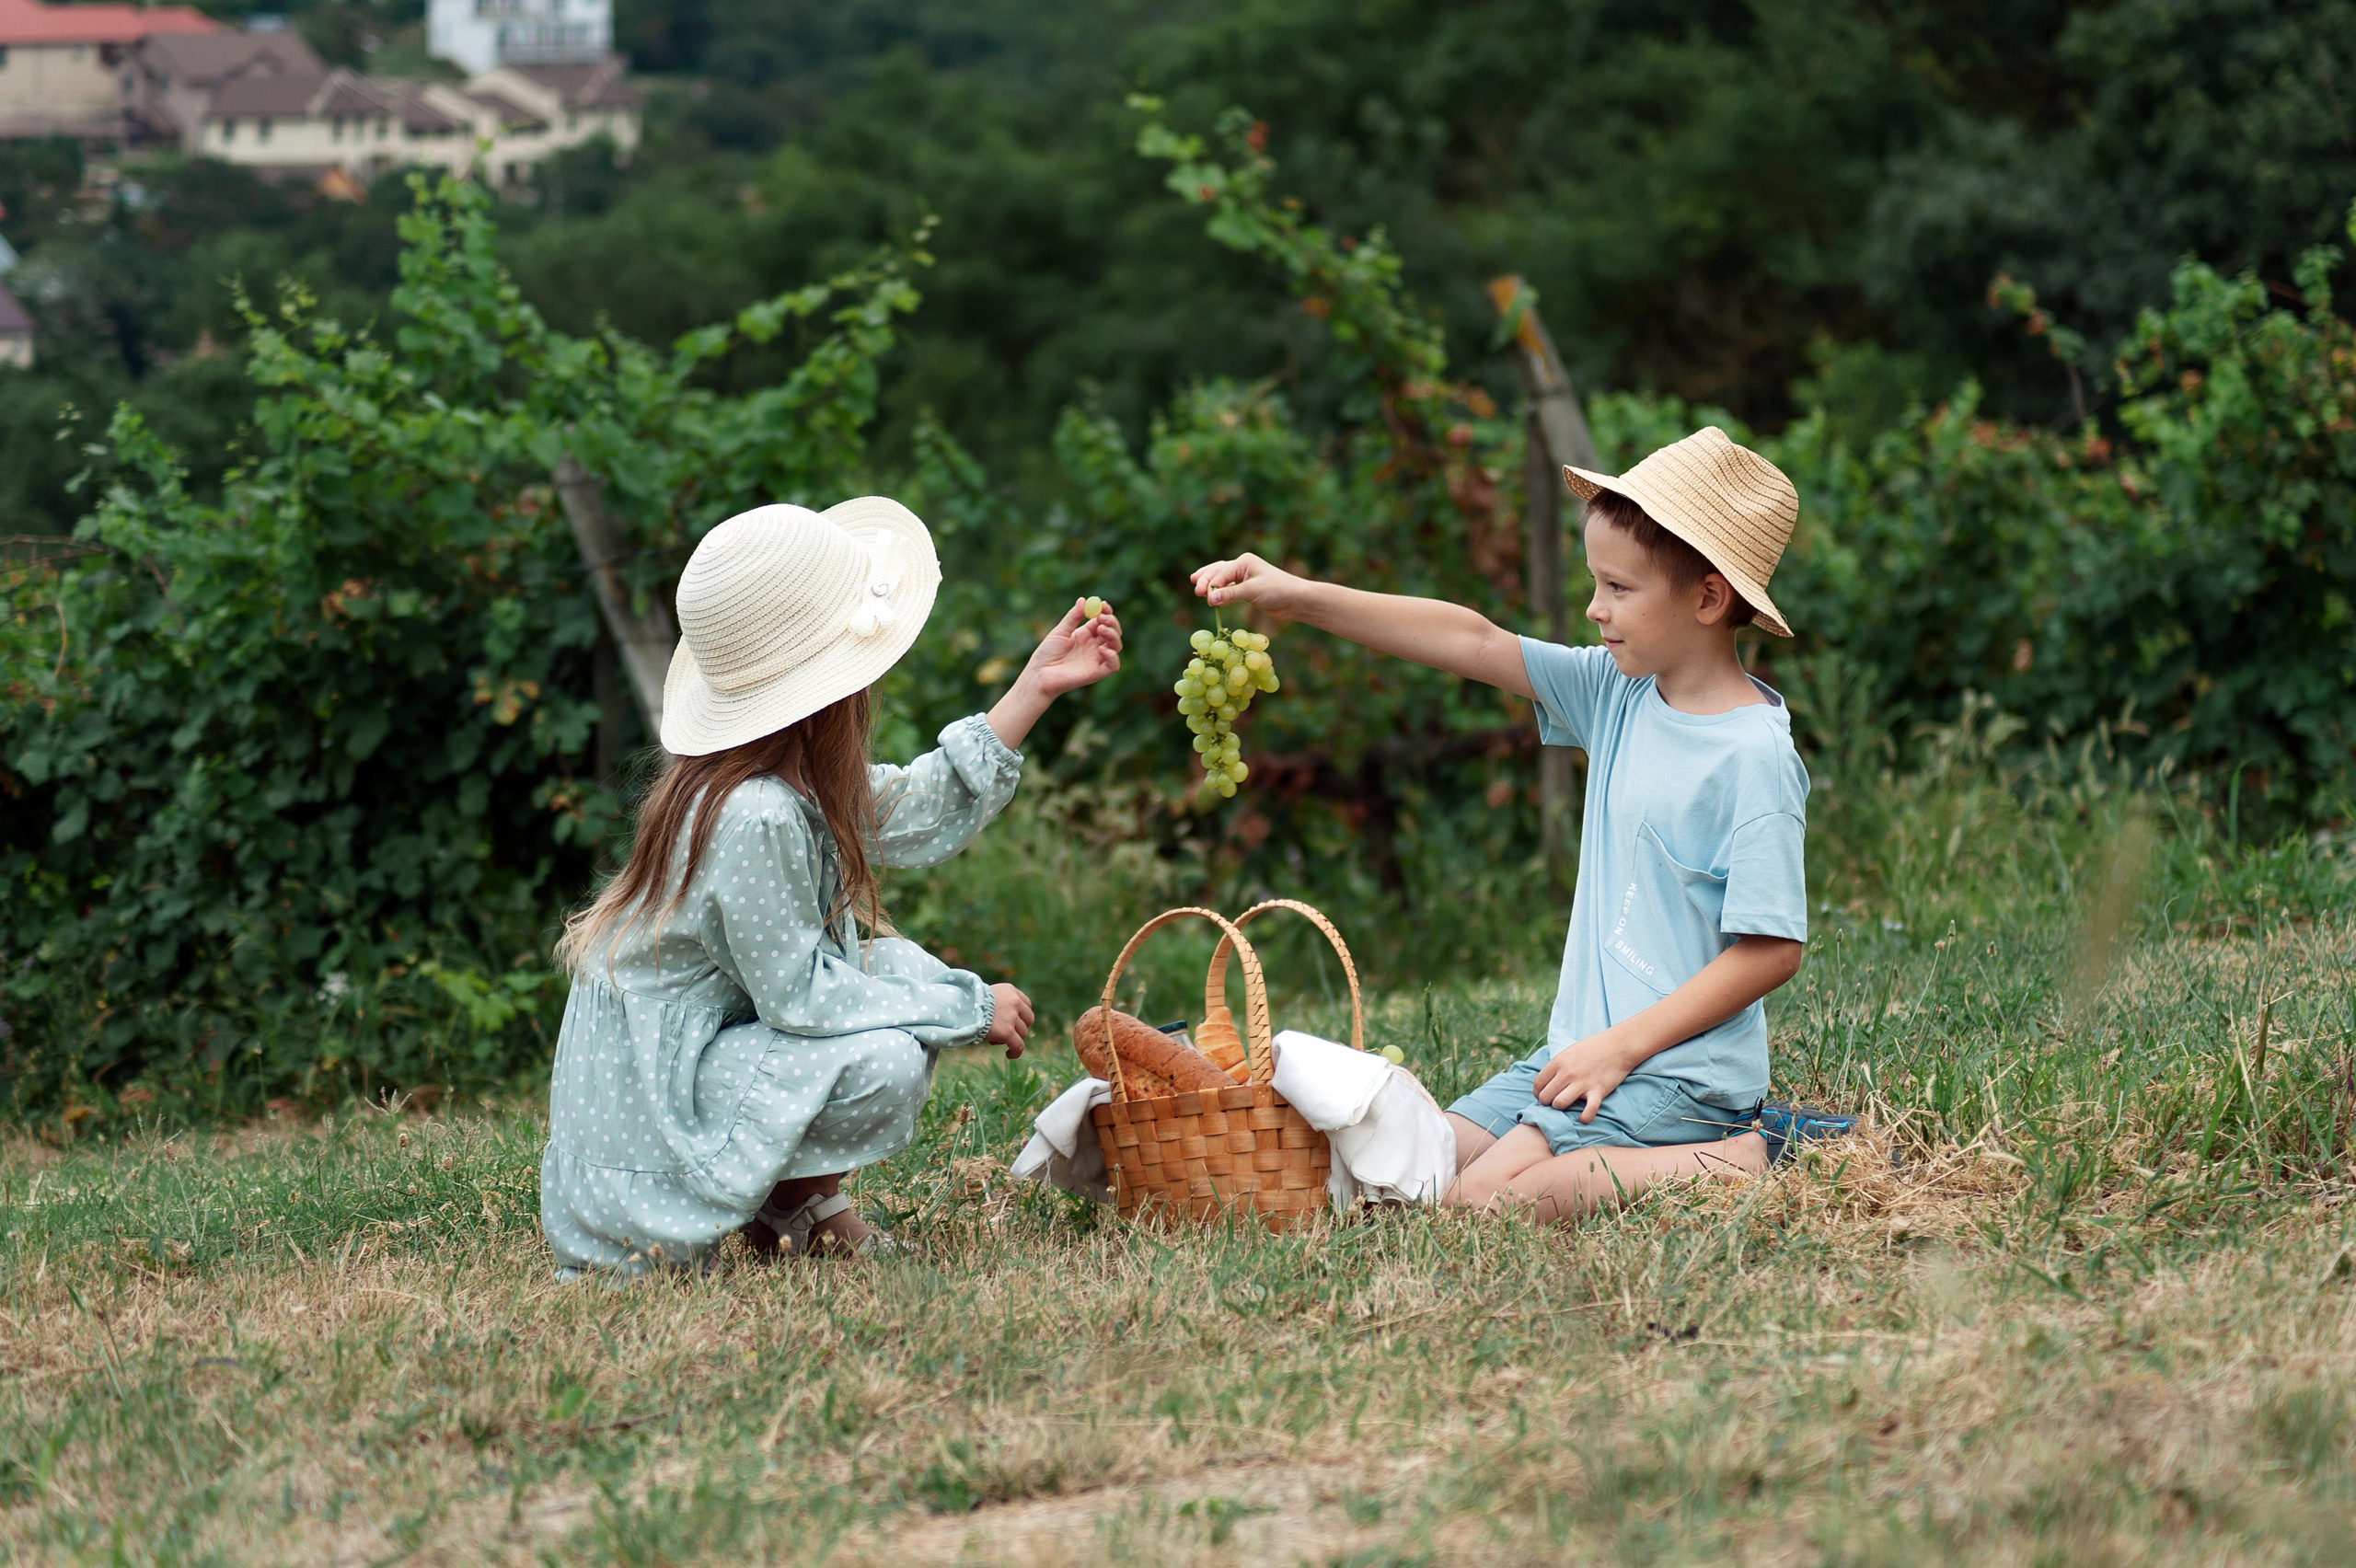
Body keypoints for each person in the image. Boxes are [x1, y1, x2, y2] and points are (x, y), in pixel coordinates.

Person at [1191, 427, 1808, 1221]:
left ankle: (1747, 1155)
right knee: (1407, 1168)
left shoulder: (1752, 755)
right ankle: (1590, 1132)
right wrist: (1297, 596)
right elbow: (1471, 638)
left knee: (1481, 1203)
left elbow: (1772, 950)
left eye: (1618, 588)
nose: (1595, 608)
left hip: (1677, 1072)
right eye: (1595, 582)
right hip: (1577, 1057)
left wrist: (1621, 1047)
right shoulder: (1619, 692)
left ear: (1708, 598)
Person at [541, 498, 1122, 1274]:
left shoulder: (784, 777)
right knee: (884, 1057)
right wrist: (969, 1006)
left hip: (697, 1059)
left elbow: (917, 805)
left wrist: (1035, 687)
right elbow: (801, 1001)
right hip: (653, 1109)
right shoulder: (751, 813)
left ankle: (793, 1206)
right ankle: (781, 1203)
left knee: (902, 973)